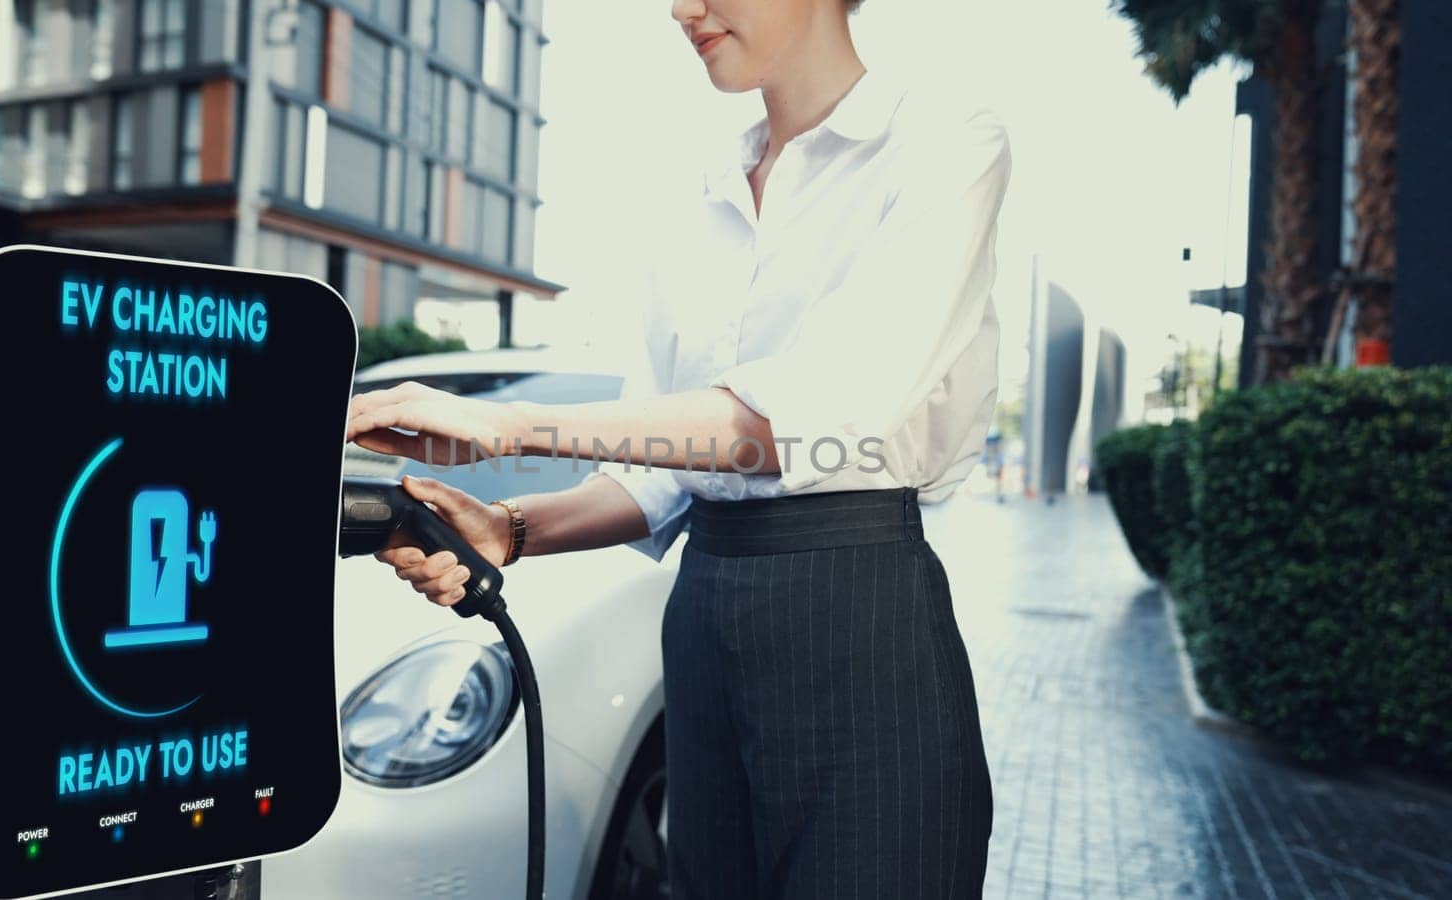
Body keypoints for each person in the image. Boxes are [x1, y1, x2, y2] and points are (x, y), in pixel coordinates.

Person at [345, 0, 1012, 895]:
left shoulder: (941, 139)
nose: (681, 9)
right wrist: (511, 527)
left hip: (858, 611)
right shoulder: (701, 190)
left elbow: (810, 419)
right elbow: (663, 468)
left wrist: (514, 427)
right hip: (703, 618)